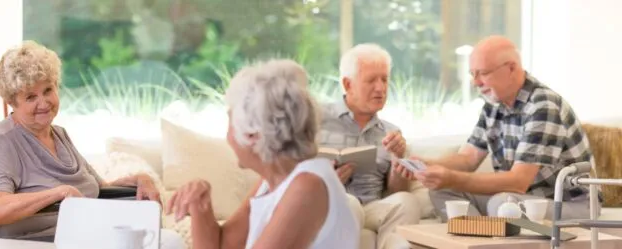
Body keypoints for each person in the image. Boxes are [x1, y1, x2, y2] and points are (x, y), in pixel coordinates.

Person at [0, 41, 184, 248]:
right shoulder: (3, 140)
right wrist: (59, 193)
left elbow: (99, 188)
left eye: (48, 90)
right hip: (40, 240)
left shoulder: (59, 134)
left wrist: (140, 178)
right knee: (168, 243)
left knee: (168, 240)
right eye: (31, 97)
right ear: (13, 102)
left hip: (87, 233)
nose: (44, 102)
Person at [396, 36, 595, 222]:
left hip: (571, 203)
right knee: (443, 192)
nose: (476, 83)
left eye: (482, 73)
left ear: (511, 69)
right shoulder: (494, 106)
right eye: (472, 74)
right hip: (522, 198)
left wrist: (451, 177)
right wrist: (426, 165)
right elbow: (467, 159)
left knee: (502, 204)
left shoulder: (543, 105)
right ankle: (478, 240)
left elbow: (518, 182)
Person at [166, 59, 359, 249]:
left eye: (230, 122)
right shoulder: (273, 182)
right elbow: (223, 246)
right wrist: (201, 207)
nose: (227, 136)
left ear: (253, 134)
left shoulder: (307, 186)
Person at [318, 43, 420, 249]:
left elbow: (395, 191)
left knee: (406, 201)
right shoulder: (316, 119)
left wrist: (398, 158)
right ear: (348, 84)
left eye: (384, 79)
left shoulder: (391, 132)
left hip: (372, 207)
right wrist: (326, 181)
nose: (381, 88)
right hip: (328, 204)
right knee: (349, 203)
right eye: (371, 80)